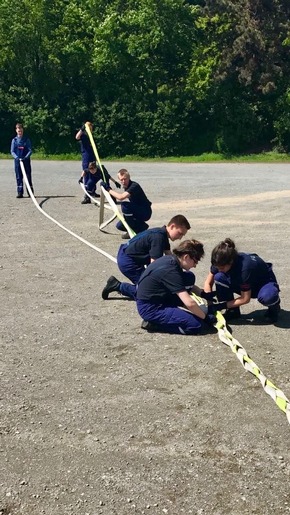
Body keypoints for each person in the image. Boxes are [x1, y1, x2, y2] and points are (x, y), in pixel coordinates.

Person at [135, 239, 217, 334]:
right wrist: (205, 318)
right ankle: (154, 324)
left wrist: (202, 294)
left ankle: (172, 312)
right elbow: (190, 303)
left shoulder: (171, 260)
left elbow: (181, 284)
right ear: (186, 257)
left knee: (189, 276)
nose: (195, 266)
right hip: (151, 308)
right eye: (195, 261)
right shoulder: (171, 271)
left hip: (158, 297)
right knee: (196, 325)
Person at [102, 215, 192, 300]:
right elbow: (155, 266)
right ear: (172, 226)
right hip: (128, 261)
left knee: (155, 287)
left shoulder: (162, 234)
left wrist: (179, 272)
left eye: (182, 235)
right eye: (179, 233)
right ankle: (117, 286)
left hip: (129, 256)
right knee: (149, 292)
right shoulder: (158, 238)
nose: (180, 238)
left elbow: (170, 256)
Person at [204, 238, 281, 322]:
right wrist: (210, 304)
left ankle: (274, 307)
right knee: (219, 277)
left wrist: (221, 306)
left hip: (262, 283)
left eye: (221, 268)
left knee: (268, 297)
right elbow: (208, 283)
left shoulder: (245, 269)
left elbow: (245, 299)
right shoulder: (219, 261)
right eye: (217, 267)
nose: (219, 269)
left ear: (231, 261)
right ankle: (233, 311)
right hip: (242, 280)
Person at [101, 168, 152, 238]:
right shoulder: (126, 186)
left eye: (125, 179)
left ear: (129, 178)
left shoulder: (134, 186)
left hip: (145, 212)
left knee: (125, 205)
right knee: (119, 226)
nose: (123, 181)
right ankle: (142, 227)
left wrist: (108, 189)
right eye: (121, 180)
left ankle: (132, 231)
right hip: (137, 211)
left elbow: (121, 197)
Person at [10, 123, 33, 198]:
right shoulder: (14, 140)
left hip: (25, 160)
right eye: (18, 130)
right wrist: (16, 157)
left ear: (23, 130)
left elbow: (30, 150)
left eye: (21, 130)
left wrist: (26, 157)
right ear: (16, 130)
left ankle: (30, 192)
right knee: (19, 176)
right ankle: (20, 192)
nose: (20, 132)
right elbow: (12, 151)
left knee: (28, 176)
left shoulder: (26, 140)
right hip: (17, 161)